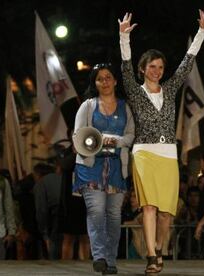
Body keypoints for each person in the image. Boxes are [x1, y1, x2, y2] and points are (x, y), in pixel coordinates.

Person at [118, 10, 204, 274]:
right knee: (149, 206)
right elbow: (124, 65)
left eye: (160, 67)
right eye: (151, 66)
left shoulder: (169, 89)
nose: (156, 71)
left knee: (167, 212)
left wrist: (201, 32)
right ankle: (150, 255)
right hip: (144, 153)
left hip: (168, 154)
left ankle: (158, 247)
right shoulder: (134, 91)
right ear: (142, 69)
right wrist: (124, 37)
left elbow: (187, 62)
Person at [73, 63, 135, 274]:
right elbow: (77, 136)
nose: (105, 82)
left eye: (108, 77)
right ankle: (99, 255)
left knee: (114, 216)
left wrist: (115, 141)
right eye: (100, 79)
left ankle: (111, 260)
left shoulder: (125, 107)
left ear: (115, 81)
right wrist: (97, 142)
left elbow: (130, 136)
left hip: (117, 167)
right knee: (96, 210)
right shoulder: (88, 106)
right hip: (91, 166)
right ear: (95, 83)